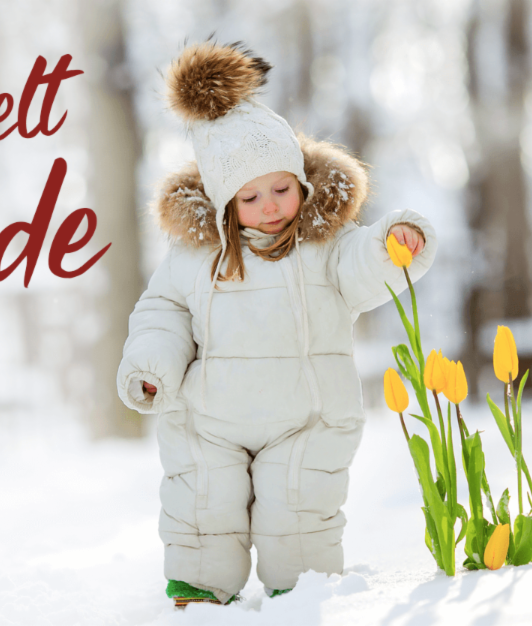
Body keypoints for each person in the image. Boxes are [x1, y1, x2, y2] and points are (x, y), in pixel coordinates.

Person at [117, 41, 436, 607]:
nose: (270, 206)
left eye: (282, 188)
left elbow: (361, 265)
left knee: (299, 508)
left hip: (305, 415)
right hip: (211, 415)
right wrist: (152, 366)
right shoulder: (195, 255)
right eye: (250, 196)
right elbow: (163, 312)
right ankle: (198, 589)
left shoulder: (324, 243)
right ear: (220, 201)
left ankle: (302, 592)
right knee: (203, 499)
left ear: (302, 181)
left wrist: (391, 247)